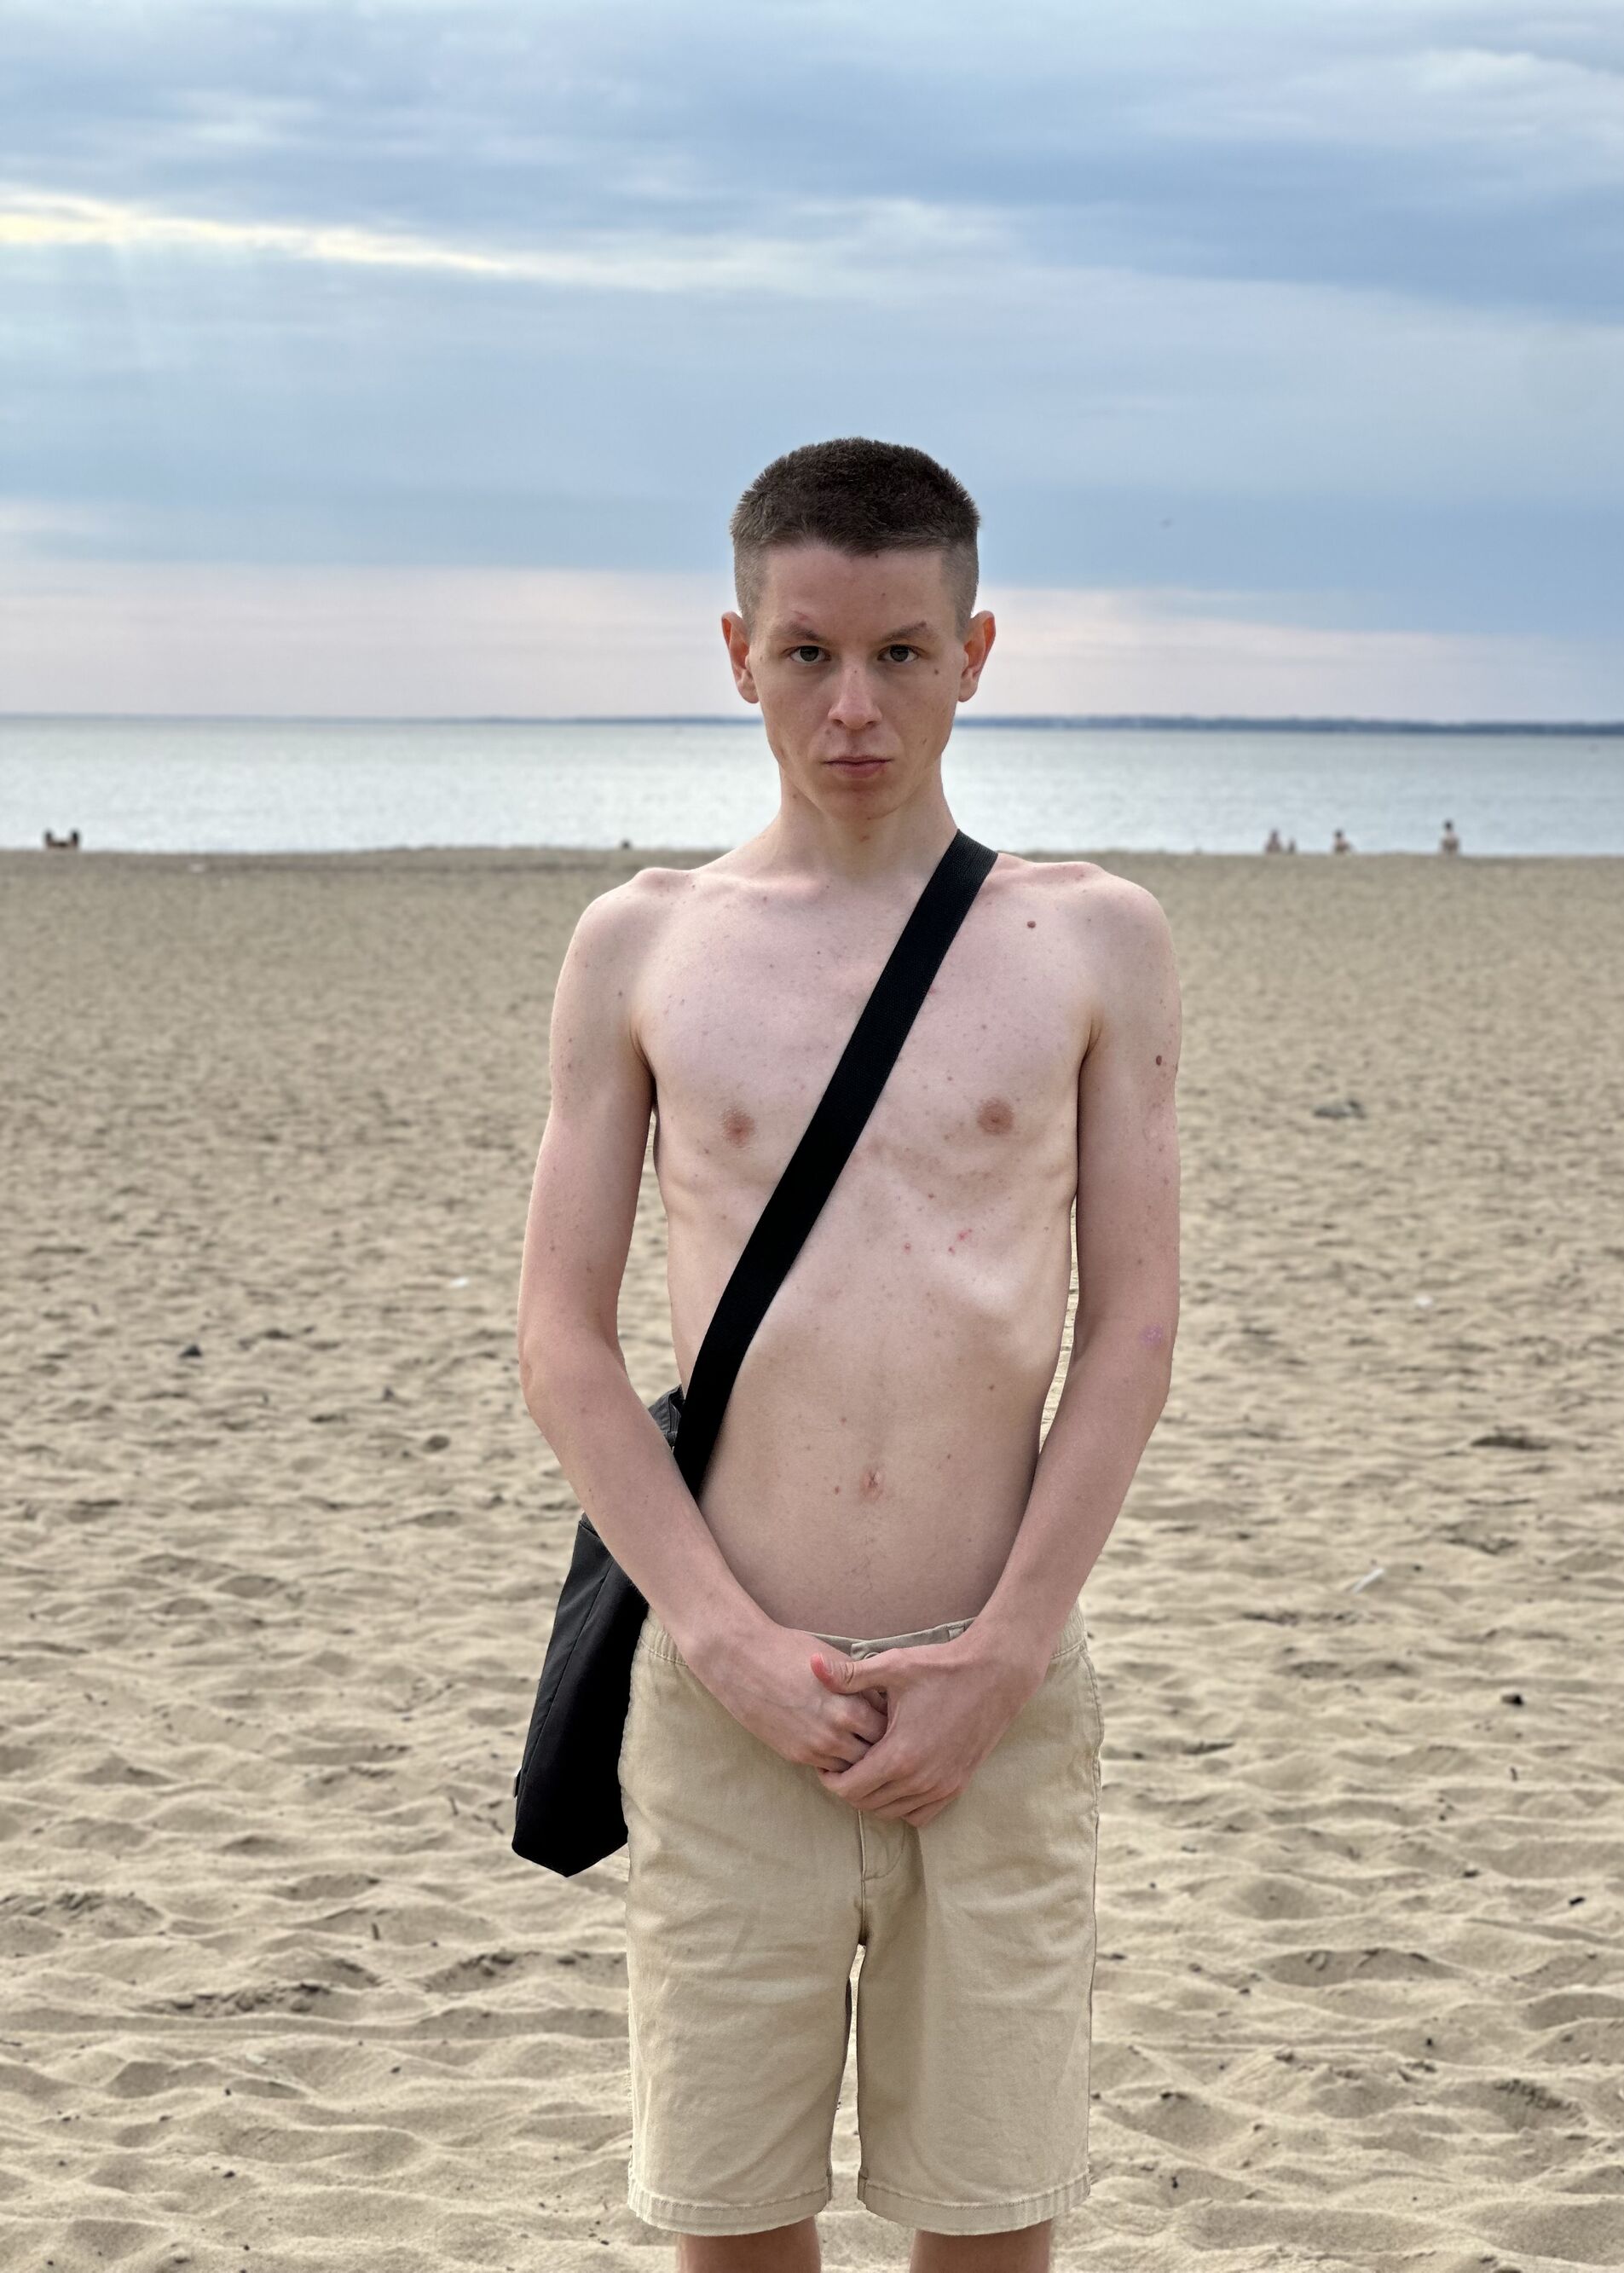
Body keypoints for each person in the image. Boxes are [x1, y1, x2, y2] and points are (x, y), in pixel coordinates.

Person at [517, 437, 1181, 2272]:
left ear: (978, 650)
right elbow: (563, 1339)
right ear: (739, 651)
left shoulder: (1091, 938)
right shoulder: (642, 943)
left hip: (995, 1690)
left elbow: (1132, 1323)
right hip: (734, 1690)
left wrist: (1011, 1645)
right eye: (808, 653)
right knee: (733, 2228)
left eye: (901, 652)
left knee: (989, 2225)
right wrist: (722, 1638)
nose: (855, 706)